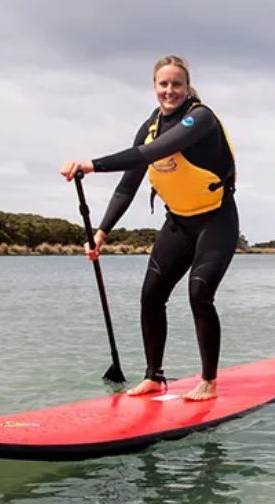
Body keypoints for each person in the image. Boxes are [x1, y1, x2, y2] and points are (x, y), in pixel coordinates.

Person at [60, 55, 238, 401]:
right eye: (163, 84)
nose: (169, 91)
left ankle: (209, 382)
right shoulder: (151, 125)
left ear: (187, 88)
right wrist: (101, 232)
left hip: (216, 219)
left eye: (176, 84)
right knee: (151, 295)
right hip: (179, 222)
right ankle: (153, 377)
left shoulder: (200, 119)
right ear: (154, 87)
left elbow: (152, 153)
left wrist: (91, 165)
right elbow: (128, 185)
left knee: (199, 294)